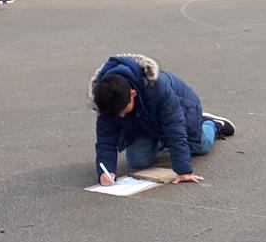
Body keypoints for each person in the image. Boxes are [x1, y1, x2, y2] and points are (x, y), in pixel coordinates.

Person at [91, 54, 234, 185]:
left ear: (132, 93)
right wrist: (106, 171)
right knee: (138, 160)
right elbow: (106, 138)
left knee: (202, 146)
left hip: (181, 110)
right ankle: (163, 140)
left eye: (124, 110)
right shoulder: (105, 99)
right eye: (117, 114)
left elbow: (174, 127)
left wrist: (183, 171)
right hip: (145, 122)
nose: (121, 116)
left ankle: (212, 124)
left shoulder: (157, 87)